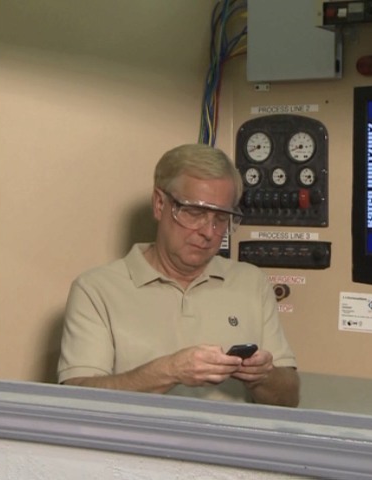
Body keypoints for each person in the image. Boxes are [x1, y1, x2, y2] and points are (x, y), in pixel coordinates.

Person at [57, 143, 299, 407]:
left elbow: (288, 399)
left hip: (228, 447)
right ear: (160, 204)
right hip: (134, 446)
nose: (209, 232)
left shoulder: (252, 282)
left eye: (221, 218)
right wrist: (170, 370)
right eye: (195, 213)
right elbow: (78, 399)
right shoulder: (96, 289)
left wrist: (264, 376)